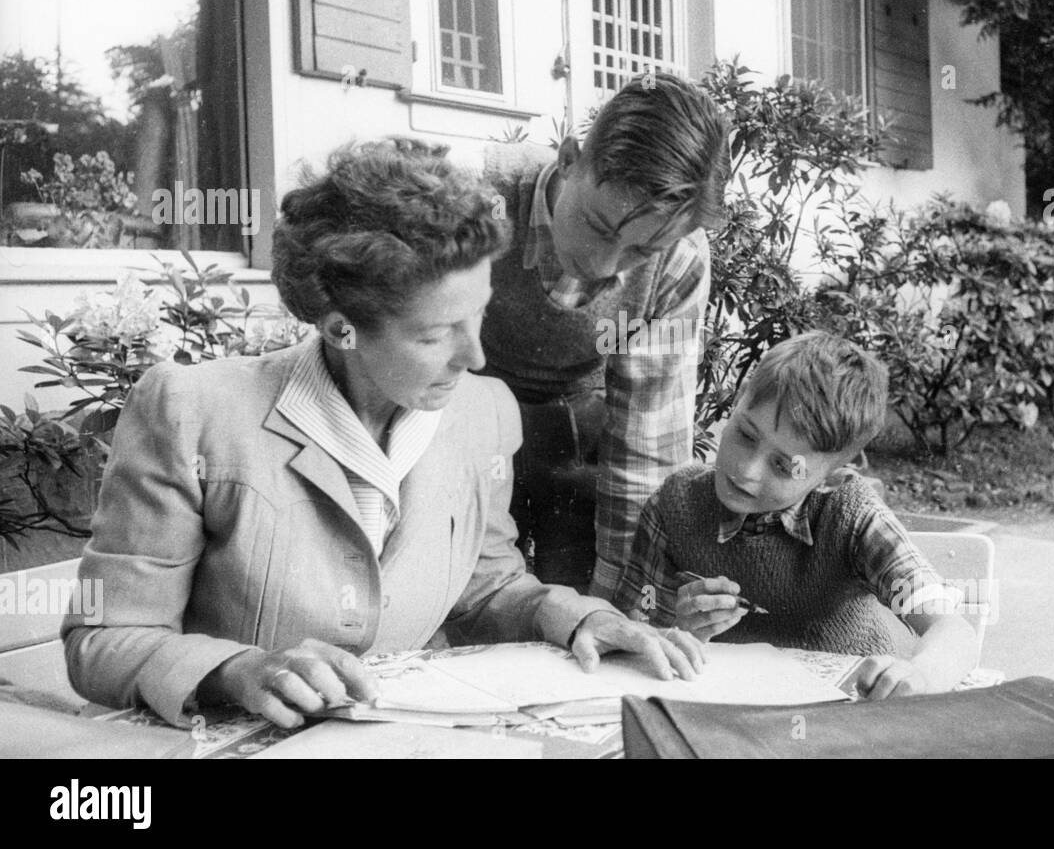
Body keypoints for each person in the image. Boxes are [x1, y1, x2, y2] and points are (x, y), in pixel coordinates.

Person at [61, 138, 703, 730]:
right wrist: (237, 671)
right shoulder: (192, 412)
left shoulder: (484, 415)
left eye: (478, 314)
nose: (476, 356)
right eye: (434, 334)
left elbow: (489, 587)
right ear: (343, 327)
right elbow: (103, 639)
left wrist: (583, 618)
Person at [610, 332, 979, 699]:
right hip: (730, 714)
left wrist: (920, 675)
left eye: (785, 466)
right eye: (745, 435)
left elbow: (953, 629)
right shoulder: (674, 504)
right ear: (737, 404)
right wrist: (681, 630)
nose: (748, 469)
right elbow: (633, 630)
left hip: (855, 707)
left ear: (830, 477)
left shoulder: (850, 514)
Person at [476, 72, 729, 596]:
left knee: (581, 596)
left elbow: (645, 455)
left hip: (576, 431)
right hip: (463, 412)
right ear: (569, 161)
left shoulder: (678, 261)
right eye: (596, 226)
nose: (603, 264)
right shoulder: (478, 201)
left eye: (640, 250)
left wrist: (613, 607)